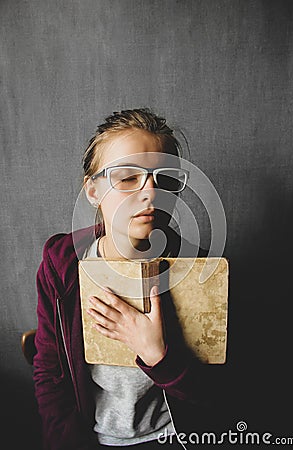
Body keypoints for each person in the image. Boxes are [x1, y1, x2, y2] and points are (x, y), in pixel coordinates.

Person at [33, 108, 208, 450]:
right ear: (93, 191)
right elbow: (49, 373)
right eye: (127, 177)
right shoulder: (62, 263)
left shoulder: (198, 267)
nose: (150, 192)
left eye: (165, 178)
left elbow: (215, 392)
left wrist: (157, 354)